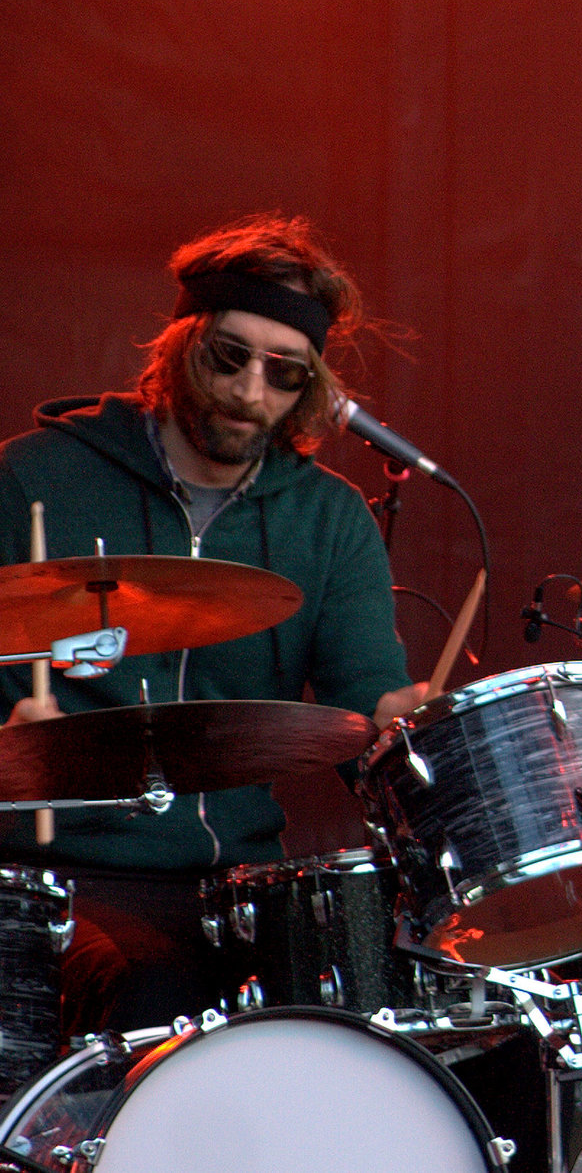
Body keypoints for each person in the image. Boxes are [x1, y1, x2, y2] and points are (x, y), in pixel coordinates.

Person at [0, 213, 428, 1030]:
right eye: (228, 357)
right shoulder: (33, 478)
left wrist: (397, 733)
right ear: (177, 343)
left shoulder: (328, 521)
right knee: (158, 990)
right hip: (59, 879)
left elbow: (365, 704)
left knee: (381, 1018)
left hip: (240, 888)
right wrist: (12, 744)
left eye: (285, 374)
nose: (250, 393)